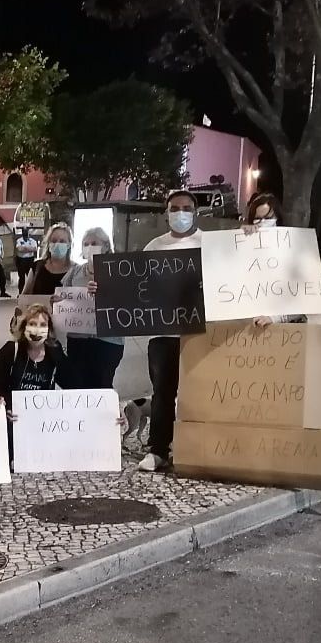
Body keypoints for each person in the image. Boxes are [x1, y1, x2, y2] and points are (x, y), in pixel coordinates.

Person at [138, 190, 203, 473]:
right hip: (163, 332)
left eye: (186, 208)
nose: (180, 213)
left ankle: (196, 450)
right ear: (166, 212)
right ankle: (158, 450)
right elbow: (136, 285)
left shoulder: (209, 244)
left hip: (201, 333)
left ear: (195, 211)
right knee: (162, 393)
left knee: (200, 392)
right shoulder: (154, 246)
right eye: (174, 208)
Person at [0, 302, 71, 466]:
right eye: (32, 324)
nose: (37, 329)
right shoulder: (9, 351)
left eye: (43, 325)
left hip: (41, 421)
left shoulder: (54, 352)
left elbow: (71, 384)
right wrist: (5, 409)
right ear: (24, 326)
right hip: (13, 420)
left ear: (49, 329)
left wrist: (106, 409)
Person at [60, 227, 125, 389]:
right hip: (78, 340)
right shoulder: (75, 272)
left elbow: (128, 301)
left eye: (94, 243)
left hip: (108, 341)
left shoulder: (117, 271)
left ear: (106, 245)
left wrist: (106, 291)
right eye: (85, 243)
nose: (89, 247)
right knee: (78, 385)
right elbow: (64, 299)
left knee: (102, 385)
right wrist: (58, 300)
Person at [241, 192, 308, 328]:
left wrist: (275, 318)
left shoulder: (293, 250)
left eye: (268, 218)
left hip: (285, 331)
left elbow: (303, 297)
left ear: (278, 218)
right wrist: (240, 236)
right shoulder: (244, 249)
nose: (262, 223)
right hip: (251, 332)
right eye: (258, 219)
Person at [22, 223, 74, 297]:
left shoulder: (76, 270)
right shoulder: (37, 267)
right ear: (48, 244)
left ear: (69, 245)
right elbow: (25, 295)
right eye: (54, 241)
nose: (57, 244)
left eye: (62, 241)